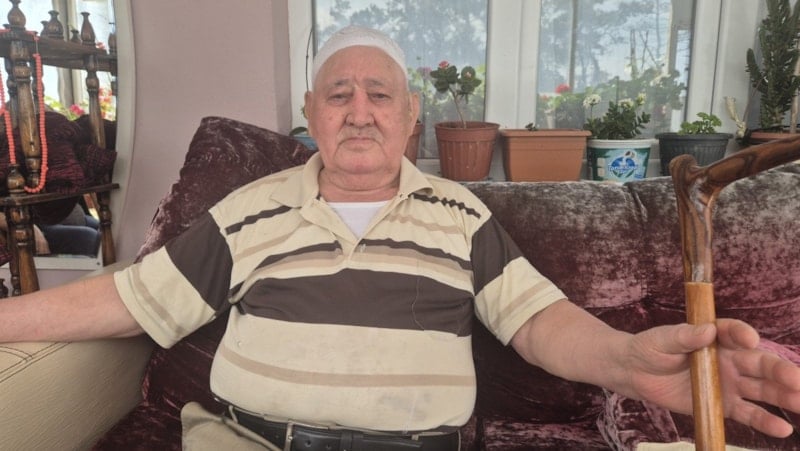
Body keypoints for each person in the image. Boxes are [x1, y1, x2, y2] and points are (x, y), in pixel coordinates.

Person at [1, 25, 800, 451]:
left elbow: (541, 322)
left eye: (379, 94)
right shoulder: (247, 209)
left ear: (411, 118)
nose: (359, 110)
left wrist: (631, 361)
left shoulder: (461, 215)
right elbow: (129, 299)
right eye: (338, 93)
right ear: (311, 116)